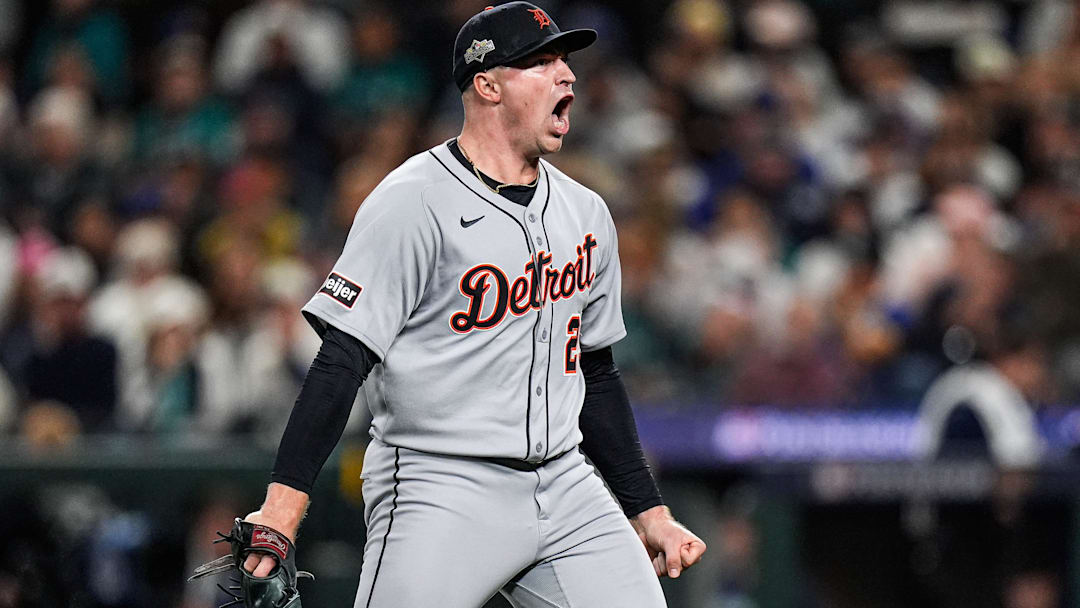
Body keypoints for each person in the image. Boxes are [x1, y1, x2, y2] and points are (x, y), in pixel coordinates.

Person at [238, 3, 705, 606]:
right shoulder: (411, 201)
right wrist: (282, 508)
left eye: (565, 61)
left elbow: (597, 373)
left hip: (566, 483)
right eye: (541, 63)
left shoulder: (586, 212)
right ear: (487, 84)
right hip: (441, 485)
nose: (566, 75)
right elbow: (339, 364)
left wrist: (649, 512)